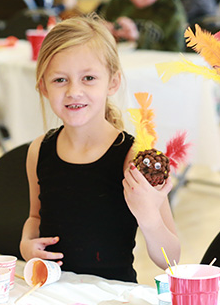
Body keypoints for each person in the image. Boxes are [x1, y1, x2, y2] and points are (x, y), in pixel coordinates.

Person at [19, 15, 180, 282]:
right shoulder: (39, 150)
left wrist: (150, 215)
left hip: (111, 296)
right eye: (60, 80)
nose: (74, 91)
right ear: (43, 86)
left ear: (113, 82)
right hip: (53, 293)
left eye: (89, 78)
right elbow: (35, 216)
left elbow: (171, 259)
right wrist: (27, 242)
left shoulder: (134, 157)